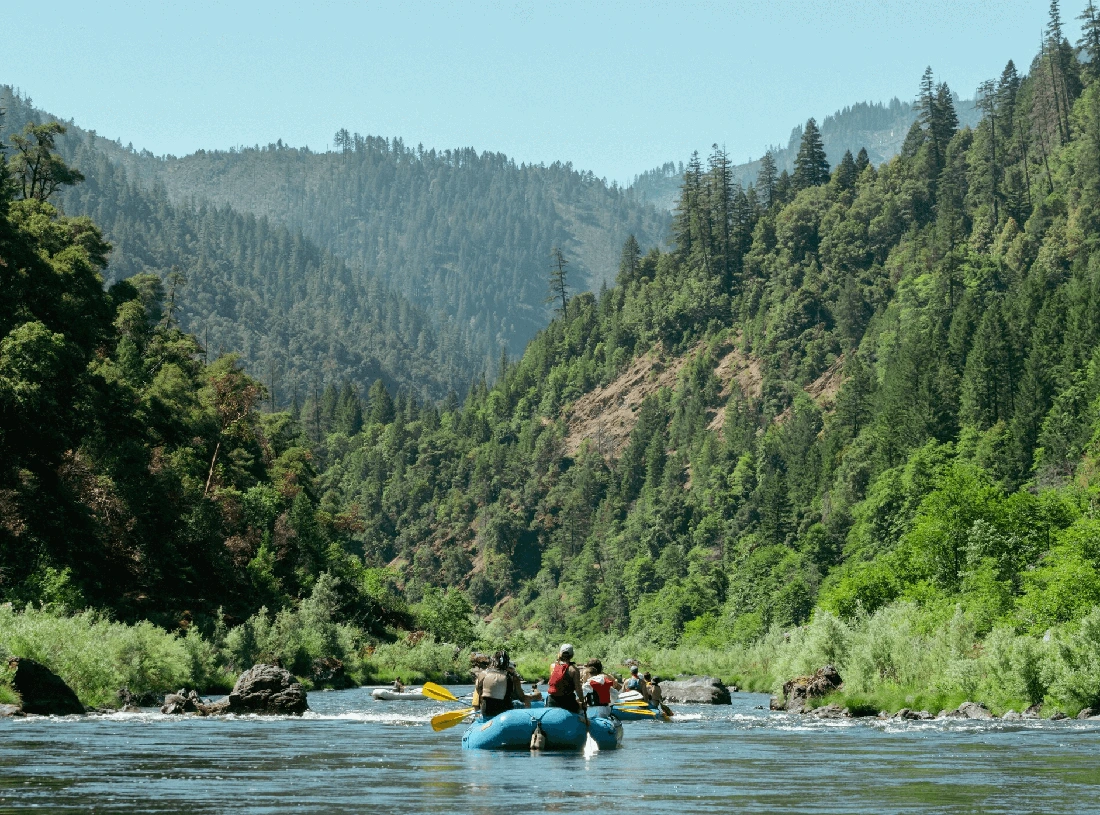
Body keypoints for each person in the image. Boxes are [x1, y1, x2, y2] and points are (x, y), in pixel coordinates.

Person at [547, 643, 586, 715]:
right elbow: (578, 689)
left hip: (552, 700)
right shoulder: (574, 670)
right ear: (572, 655)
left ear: (560, 654)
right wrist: (583, 703)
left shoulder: (553, 666)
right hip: (567, 701)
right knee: (581, 711)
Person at [474, 650, 513, 719]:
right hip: (504, 712)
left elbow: (478, 690)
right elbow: (516, 695)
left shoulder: (483, 674)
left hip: (486, 710)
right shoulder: (509, 676)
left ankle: (477, 713)